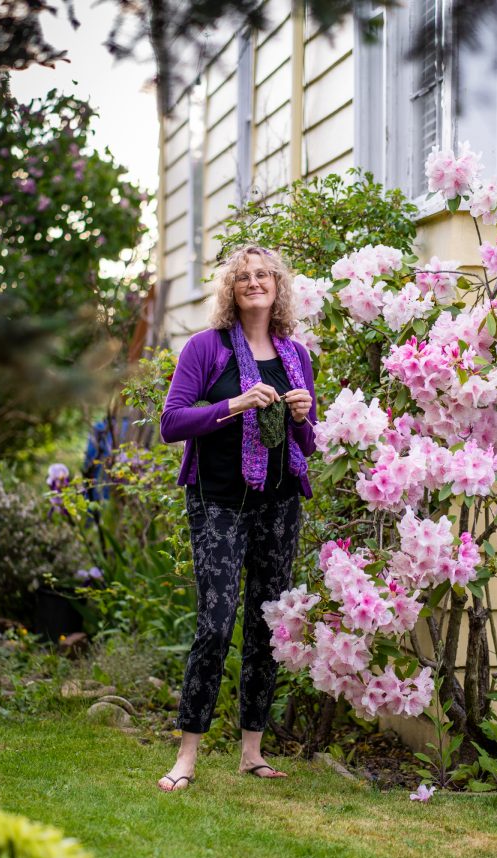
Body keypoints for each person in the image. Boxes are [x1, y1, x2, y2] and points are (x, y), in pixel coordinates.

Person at [157, 245, 317, 792]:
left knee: (267, 623)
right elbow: (172, 423)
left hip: (279, 503)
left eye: (263, 275)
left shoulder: (295, 354)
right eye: (243, 276)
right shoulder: (206, 348)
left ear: (278, 286)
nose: (254, 282)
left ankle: (252, 752)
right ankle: (186, 756)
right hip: (219, 501)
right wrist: (236, 404)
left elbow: (306, 444)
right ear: (231, 288)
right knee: (216, 624)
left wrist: (303, 419)